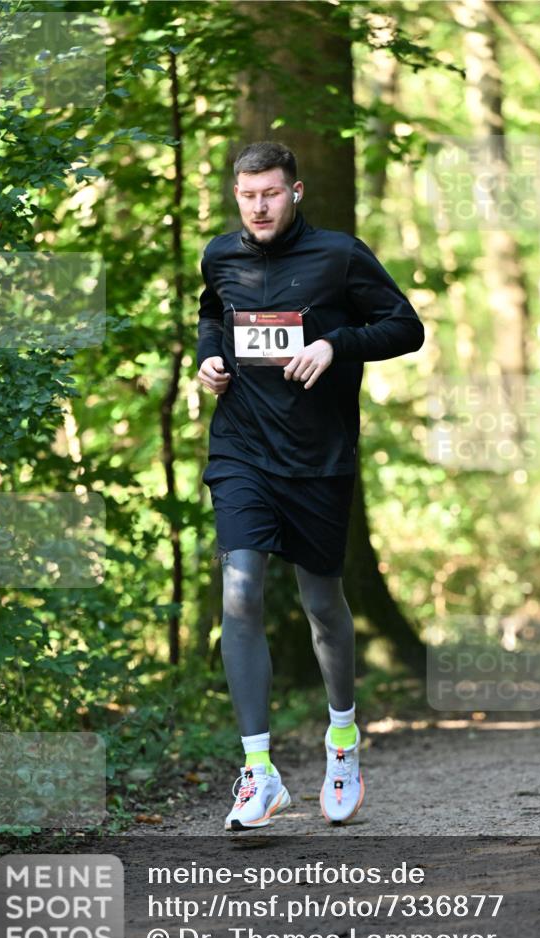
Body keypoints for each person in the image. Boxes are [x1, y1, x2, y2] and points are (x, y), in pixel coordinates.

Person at [197, 141, 424, 831]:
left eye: (270, 192)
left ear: (295, 193)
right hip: (240, 448)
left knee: (322, 603)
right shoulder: (220, 256)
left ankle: (343, 740)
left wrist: (335, 345)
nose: (258, 205)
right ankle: (258, 772)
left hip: (317, 457)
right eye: (246, 194)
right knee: (239, 591)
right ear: (236, 195)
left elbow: (404, 327)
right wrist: (209, 357)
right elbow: (212, 314)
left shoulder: (339, 255)